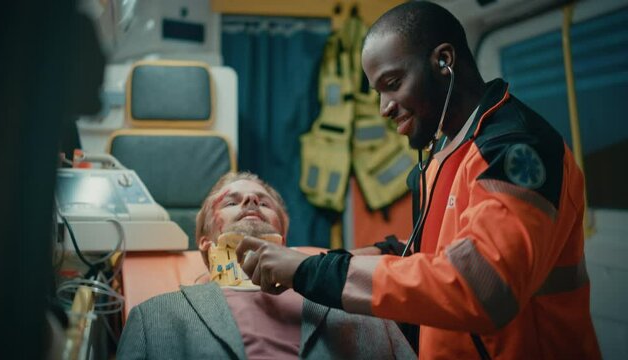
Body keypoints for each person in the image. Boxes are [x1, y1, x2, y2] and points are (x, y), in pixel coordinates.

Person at [236, 2, 602, 359]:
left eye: (392, 83)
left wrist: (309, 271)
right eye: (378, 92)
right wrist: (317, 261)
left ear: (444, 61)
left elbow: (481, 286)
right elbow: (424, 256)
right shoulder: (444, 151)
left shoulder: (515, 149)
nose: (384, 107)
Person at [117, 172, 414, 359]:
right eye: (231, 202)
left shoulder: (355, 303)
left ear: (283, 239)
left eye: (264, 202)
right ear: (205, 243)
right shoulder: (154, 318)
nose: (250, 199)